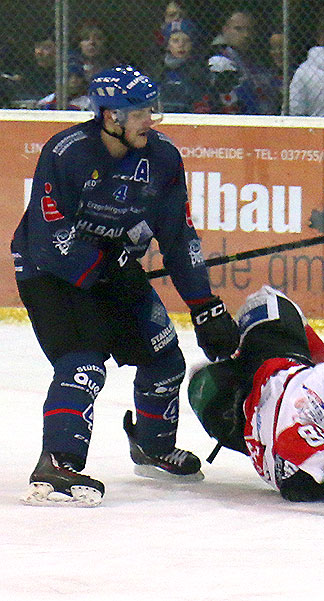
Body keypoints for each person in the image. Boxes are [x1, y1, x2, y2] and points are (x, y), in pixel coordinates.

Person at [11, 65, 240, 507]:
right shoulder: (66, 152)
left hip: (113, 267)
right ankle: (57, 463)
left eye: (150, 111)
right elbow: (48, 236)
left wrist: (204, 305)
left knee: (165, 357)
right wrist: (102, 266)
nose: (149, 121)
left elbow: (178, 236)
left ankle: (152, 447)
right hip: (50, 272)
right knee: (84, 363)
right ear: (109, 116)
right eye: (139, 113)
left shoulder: (164, 159)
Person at [187, 286, 324, 515]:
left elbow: (295, 480)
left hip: (241, 421)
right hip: (272, 360)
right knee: (270, 304)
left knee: (203, 389)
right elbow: (290, 437)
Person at [207, 10, 280, 115]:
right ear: (225, 30)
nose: (246, 35)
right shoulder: (218, 61)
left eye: (249, 30)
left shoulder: (256, 61)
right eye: (238, 29)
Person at [155, 18, 208, 114]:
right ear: (167, 45)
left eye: (186, 41)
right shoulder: (158, 69)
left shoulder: (198, 69)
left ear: (192, 44)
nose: (181, 45)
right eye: (175, 41)